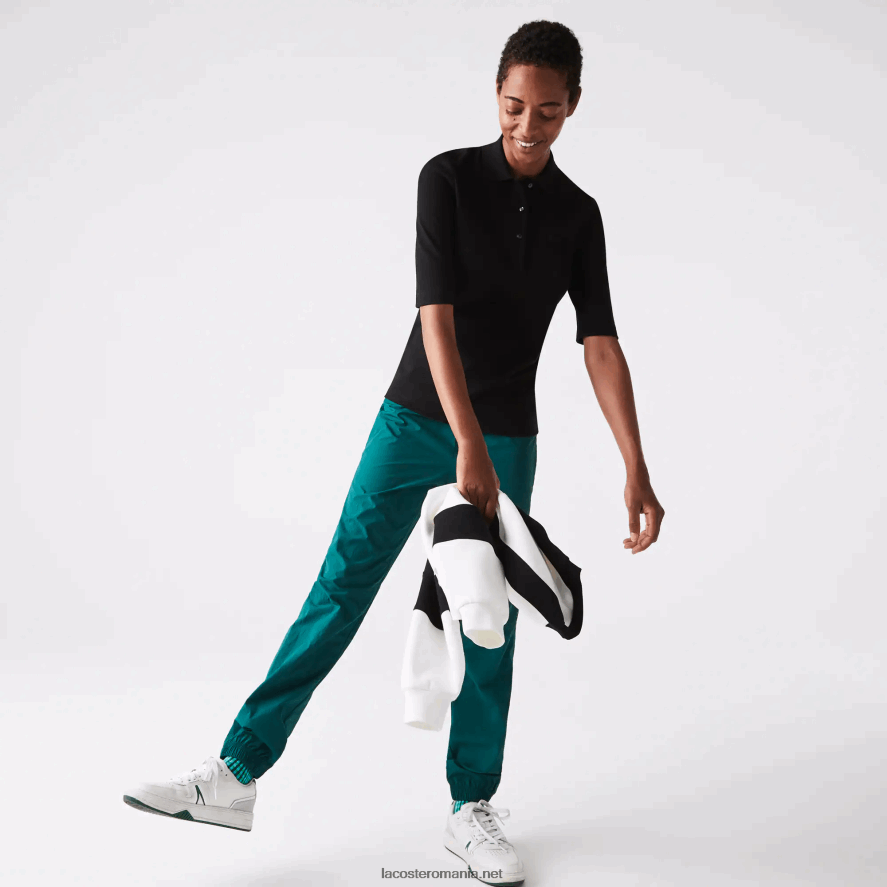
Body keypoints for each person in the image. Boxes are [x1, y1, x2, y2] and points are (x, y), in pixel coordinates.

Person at [123, 19, 665, 887]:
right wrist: (464, 441)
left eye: (548, 111)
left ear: (573, 107)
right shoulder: (446, 179)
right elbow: (434, 318)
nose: (527, 126)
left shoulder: (577, 215)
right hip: (415, 421)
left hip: (507, 437)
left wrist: (633, 462)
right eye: (513, 106)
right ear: (495, 95)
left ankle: (470, 808)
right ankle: (235, 772)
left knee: (487, 618)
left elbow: (598, 342)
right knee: (340, 586)